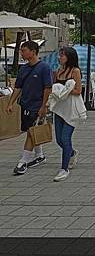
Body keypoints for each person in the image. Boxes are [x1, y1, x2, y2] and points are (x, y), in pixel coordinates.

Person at [5, 41, 53, 176]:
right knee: (30, 131)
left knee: (32, 130)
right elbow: (18, 87)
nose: (22, 53)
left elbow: (48, 88)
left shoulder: (44, 68)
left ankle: (23, 161)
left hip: (37, 105)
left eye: (24, 50)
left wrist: (44, 106)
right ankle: (40, 155)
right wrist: (10, 103)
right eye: (21, 50)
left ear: (33, 51)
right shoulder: (24, 69)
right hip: (25, 104)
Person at [49, 47, 86, 182]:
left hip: (71, 109)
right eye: (60, 55)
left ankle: (64, 169)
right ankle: (71, 153)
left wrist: (65, 91)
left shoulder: (75, 71)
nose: (60, 58)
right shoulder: (58, 72)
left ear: (69, 57)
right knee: (59, 140)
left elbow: (78, 90)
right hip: (59, 109)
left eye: (62, 55)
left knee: (65, 138)